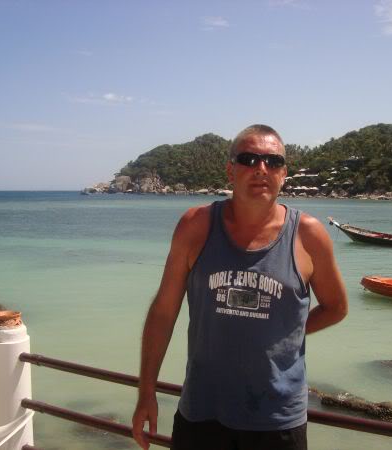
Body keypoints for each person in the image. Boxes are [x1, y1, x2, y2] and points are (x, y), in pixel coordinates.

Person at [132, 124, 348, 450]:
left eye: (273, 161)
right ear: (230, 171)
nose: (261, 168)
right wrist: (146, 392)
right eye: (249, 159)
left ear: (284, 173)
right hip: (202, 414)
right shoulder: (196, 226)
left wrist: (286, 332)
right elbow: (163, 312)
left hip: (277, 422)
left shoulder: (308, 234)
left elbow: (336, 308)